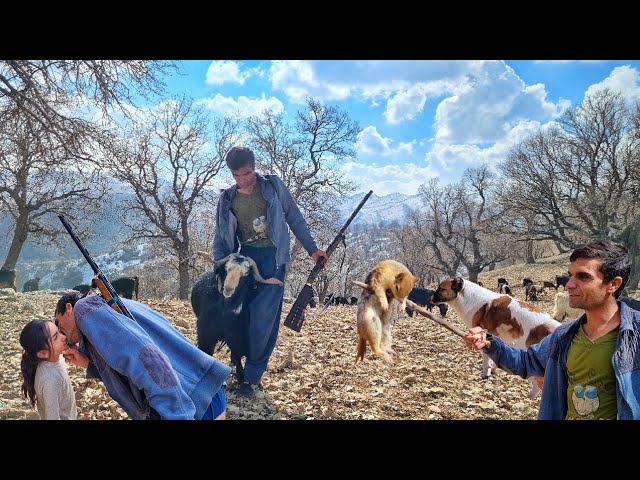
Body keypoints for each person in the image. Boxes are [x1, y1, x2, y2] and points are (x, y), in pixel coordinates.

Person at [464, 239, 640, 419]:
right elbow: (526, 362)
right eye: (570, 275)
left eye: (583, 276)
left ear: (614, 284)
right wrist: (489, 343)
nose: (569, 284)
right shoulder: (564, 335)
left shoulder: (636, 334)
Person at [213, 145, 329, 397]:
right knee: (238, 315)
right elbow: (221, 238)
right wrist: (220, 267)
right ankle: (238, 367)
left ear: (255, 167)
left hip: (273, 259)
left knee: (262, 319)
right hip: (243, 259)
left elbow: (294, 218)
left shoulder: (273, 186)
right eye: (237, 176)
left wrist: (313, 249)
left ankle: (252, 377)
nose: (243, 180)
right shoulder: (227, 198)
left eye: (247, 173)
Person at [55, 291, 231, 420]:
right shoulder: (106, 307)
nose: (59, 331)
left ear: (69, 308)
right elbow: (129, 366)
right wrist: (88, 364)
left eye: (58, 322)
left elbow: (148, 357)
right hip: (203, 394)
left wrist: (179, 415)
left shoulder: (85, 309)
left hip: (191, 405)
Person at [19, 318, 78, 420]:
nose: (63, 336)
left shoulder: (55, 359)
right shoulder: (50, 381)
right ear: (42, 353)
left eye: (59, 331)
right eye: (55, 337)